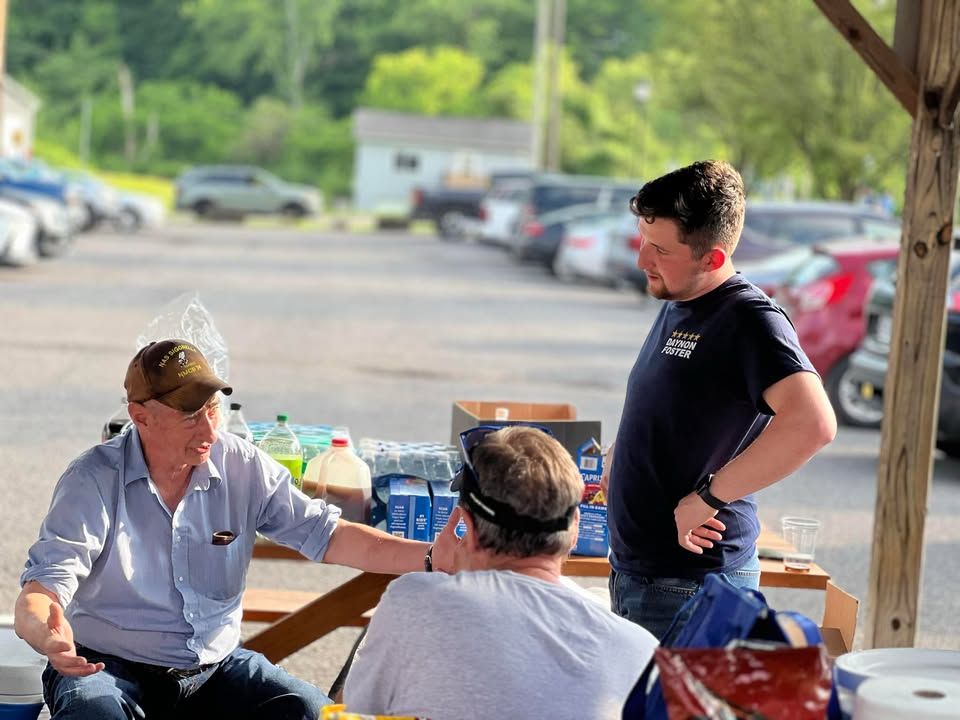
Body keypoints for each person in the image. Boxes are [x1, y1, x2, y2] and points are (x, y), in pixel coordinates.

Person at [15, 339, 447, 720]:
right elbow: (42, 589)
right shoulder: (93, 477)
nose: (208, 430)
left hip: (214, 668)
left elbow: (328, 534)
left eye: (213, 410)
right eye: (189, 416)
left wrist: (435, 557)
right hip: (107, 666)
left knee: (308, 710)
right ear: (140, 416)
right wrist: (47, 633)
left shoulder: (242, 462)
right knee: (94, 711)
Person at [603, 161, 837, 640]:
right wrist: (622, 456)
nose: (642, 259)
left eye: (660, 249)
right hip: (644, 575)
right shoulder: (680, 298)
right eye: (643, 239)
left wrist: (710, 495)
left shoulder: (750, 319)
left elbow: (813, 424)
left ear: (711, 258)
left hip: (689, 586)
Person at [343, 426, 658, 720]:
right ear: (575, 527)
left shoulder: (413, 602)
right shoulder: (636, 648)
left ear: (468, 528)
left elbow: (359, 708)